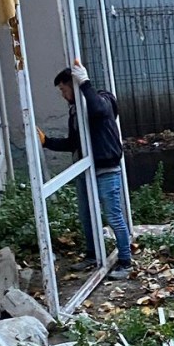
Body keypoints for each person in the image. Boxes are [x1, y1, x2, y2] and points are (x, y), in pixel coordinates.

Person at [39, 60, 133, 280]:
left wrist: (84, 83)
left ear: (74, 85)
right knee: (87, 215)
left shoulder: (102, 99)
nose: (63, 95)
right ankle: (93, 254)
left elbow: (98, 110)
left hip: (106, 168)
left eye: (64, 89)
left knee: (113, 215)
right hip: (86, 168)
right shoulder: (76, 111)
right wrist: (46, 142)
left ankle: (126, 261)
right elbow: (74, 142)